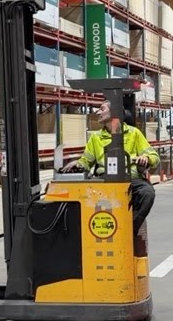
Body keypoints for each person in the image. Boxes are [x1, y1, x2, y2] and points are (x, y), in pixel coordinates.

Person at [60, 98, 158, 232]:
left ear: (114, 112)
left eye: (102, 109)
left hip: (130, 179)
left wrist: (146, 158)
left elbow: (154, 157)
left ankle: (128, 230)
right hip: (104, 179)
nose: (98, 112)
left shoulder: (133, 133)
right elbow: (86, 162)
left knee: (147, 193)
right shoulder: (96, 138)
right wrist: (78, 163)